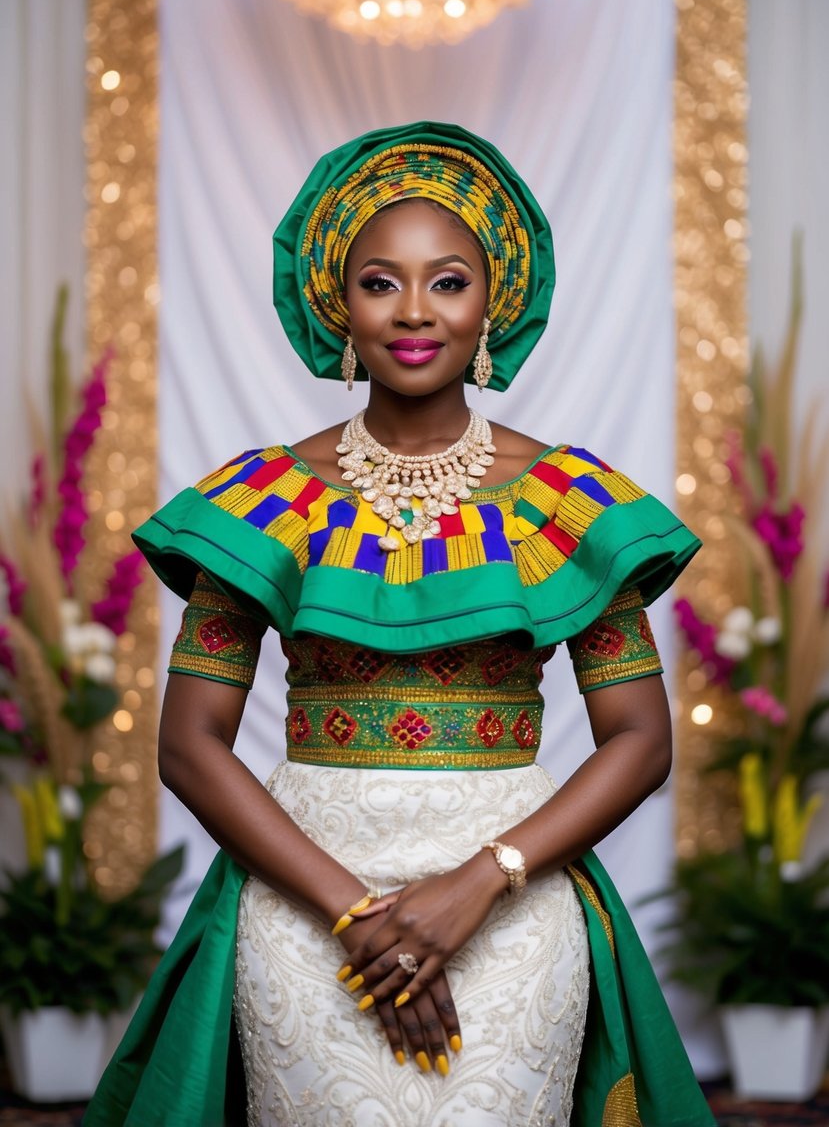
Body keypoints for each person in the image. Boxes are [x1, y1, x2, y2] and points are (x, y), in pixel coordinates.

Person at [84, 122, 715, 1127]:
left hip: (511, 915)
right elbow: (190, 746)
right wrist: (351, 912)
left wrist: (476, 884)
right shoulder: (261, 503)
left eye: (448, 281)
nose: (414, 310)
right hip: (304, 911)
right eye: (381, 281)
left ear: (491, 302)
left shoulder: (569, 503)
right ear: (339, 302)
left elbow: (640, 739)